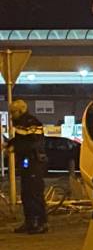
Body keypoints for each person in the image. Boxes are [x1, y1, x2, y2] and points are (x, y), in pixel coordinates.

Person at [6, 99, 48, 234]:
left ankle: (40, 222)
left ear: (21, 111)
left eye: (13, 112)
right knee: (26, 193)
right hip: (27, 162)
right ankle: (29, 221)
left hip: (34, 162)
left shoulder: (32, 123)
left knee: (34, 192)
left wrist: (14, 147)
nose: (12, 116)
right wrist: (9, 145)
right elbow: (20, 140)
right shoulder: (21, 125)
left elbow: (32, 144)